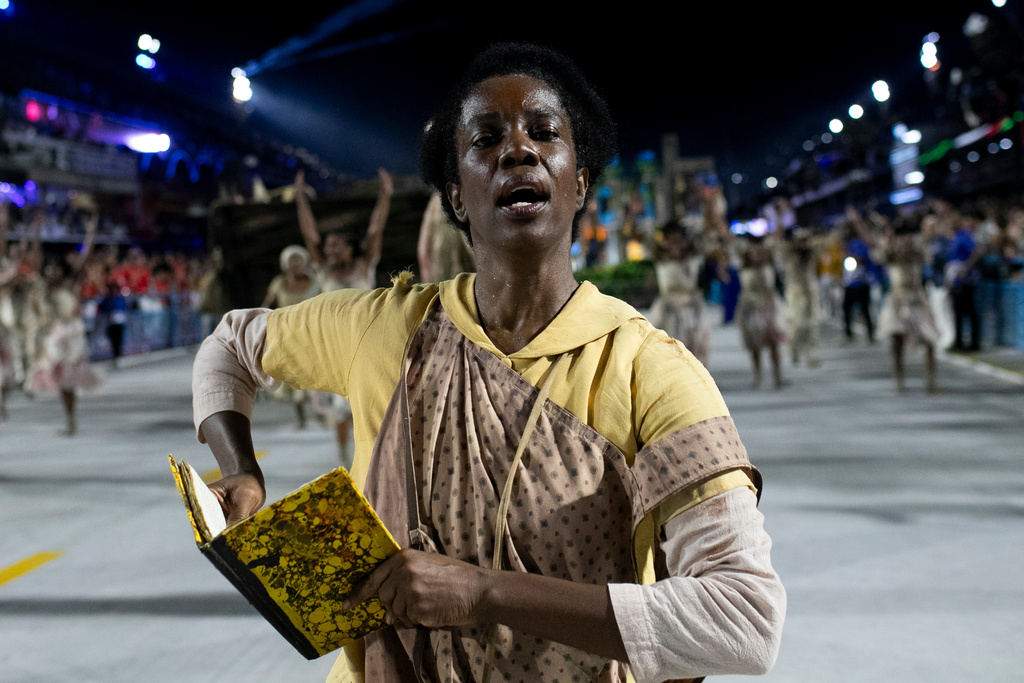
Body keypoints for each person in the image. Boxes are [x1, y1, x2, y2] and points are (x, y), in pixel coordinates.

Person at [192, 43, 784, 683]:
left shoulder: (649, 369)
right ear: (455, 195)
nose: (518, 149)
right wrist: (241, 472)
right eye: (485, 139)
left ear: (579, 178)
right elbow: (228, 346)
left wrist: (485, 592)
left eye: (544, 133)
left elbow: (744, 621)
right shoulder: (385, 327)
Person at [294, 168, 393, 465]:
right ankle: (343, 460)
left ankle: (374, 461)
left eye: (336, 245)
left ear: (350, 248)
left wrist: (385, 195)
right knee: (340, 411)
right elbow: (310, 235)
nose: (330, 250)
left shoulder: (364, 265)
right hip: (337, 351)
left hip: (369, 348)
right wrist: (300, 199)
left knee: (371, 409)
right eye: (328, 247)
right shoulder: (325, 270)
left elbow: (376, 229)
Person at [27, 210, 102, 435]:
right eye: (49, 269)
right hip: (56, 333)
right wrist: (36, 232)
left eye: (56, 268)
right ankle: (69, 419)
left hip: (73, 333)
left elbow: (85, 255)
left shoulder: (70, 283)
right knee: (60, 378)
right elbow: (35, 260)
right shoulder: (44, 287)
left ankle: (71, 420)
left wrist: (90, 231)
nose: (52, 272)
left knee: (67, 380)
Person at [878, 221, 939, 393]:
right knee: (896, 341)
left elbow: (925, 249)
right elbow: (882, 252)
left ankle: (931, 380)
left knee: (929, 339)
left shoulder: (917, 251)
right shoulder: (891, 253)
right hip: (897, 300)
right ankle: (899, 380)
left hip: (917, 299)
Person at [647, 220, 711, 367]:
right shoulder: (660, 258)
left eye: (679, 239)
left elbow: (707, 236)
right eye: (672, 240)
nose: (675, 244)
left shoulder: (693, 257)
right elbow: (639, 236)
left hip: (693, 307)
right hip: (669, 309)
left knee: (696, 348)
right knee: (671, 348)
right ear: (665, 241)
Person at [737, 239, 786, 389]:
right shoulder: (744, 268)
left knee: (773, 343)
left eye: (760, 251)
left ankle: (777, 377)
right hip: (750, 309)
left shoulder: (769, 266)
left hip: (768, 307)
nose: (757, 254)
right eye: (754, 252)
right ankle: (757, 376)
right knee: (755, 345)